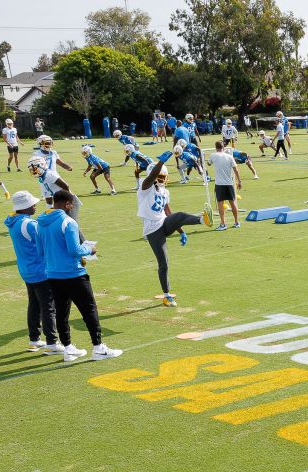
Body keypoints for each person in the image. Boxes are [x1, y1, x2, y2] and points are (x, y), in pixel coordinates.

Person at [36, 190, 122, 361]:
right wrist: (89, 249)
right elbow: (75, 250)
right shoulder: (68, 222)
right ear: (67, 204)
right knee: (89, 309)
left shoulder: (40, 223)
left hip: (53, 275)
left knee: (61, 312)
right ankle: (98, 347)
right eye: (71, 204)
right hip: (74, 275)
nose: (72, 207)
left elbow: (40, 251)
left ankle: (68, 348)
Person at [138, 152, 211, 306]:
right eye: (161, 176)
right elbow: (150, 178)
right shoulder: (145, 188)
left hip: (163, 223)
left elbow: (169, 213)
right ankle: (166, 295)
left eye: (164, 176)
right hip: (152, 230)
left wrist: (181, 232)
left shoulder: (166, 191)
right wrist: (159, 162)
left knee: (178, 215)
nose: (164, 179)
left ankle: (202, 220)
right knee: (163, 263)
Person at [5, 190, 58, 354]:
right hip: (40, 270)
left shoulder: (14, 221)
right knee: (48, 307)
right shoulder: (29, 224)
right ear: (25, 207)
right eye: (32, 204)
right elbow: (46, 241)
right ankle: (52, 343)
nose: (35, 206)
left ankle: (34, 339)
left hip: (27, 269)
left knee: (34, 304)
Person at [209, 141, 243, 230]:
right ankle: (236, 222)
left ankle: (223, 224)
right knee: (233, 203)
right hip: (229, 184)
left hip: (220, 184)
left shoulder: (213, 155)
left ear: (216, 147)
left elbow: (209, 163)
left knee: (220, 204)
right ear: (223, 147)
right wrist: (239, 181)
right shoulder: (230, 157)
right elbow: (236, 170)